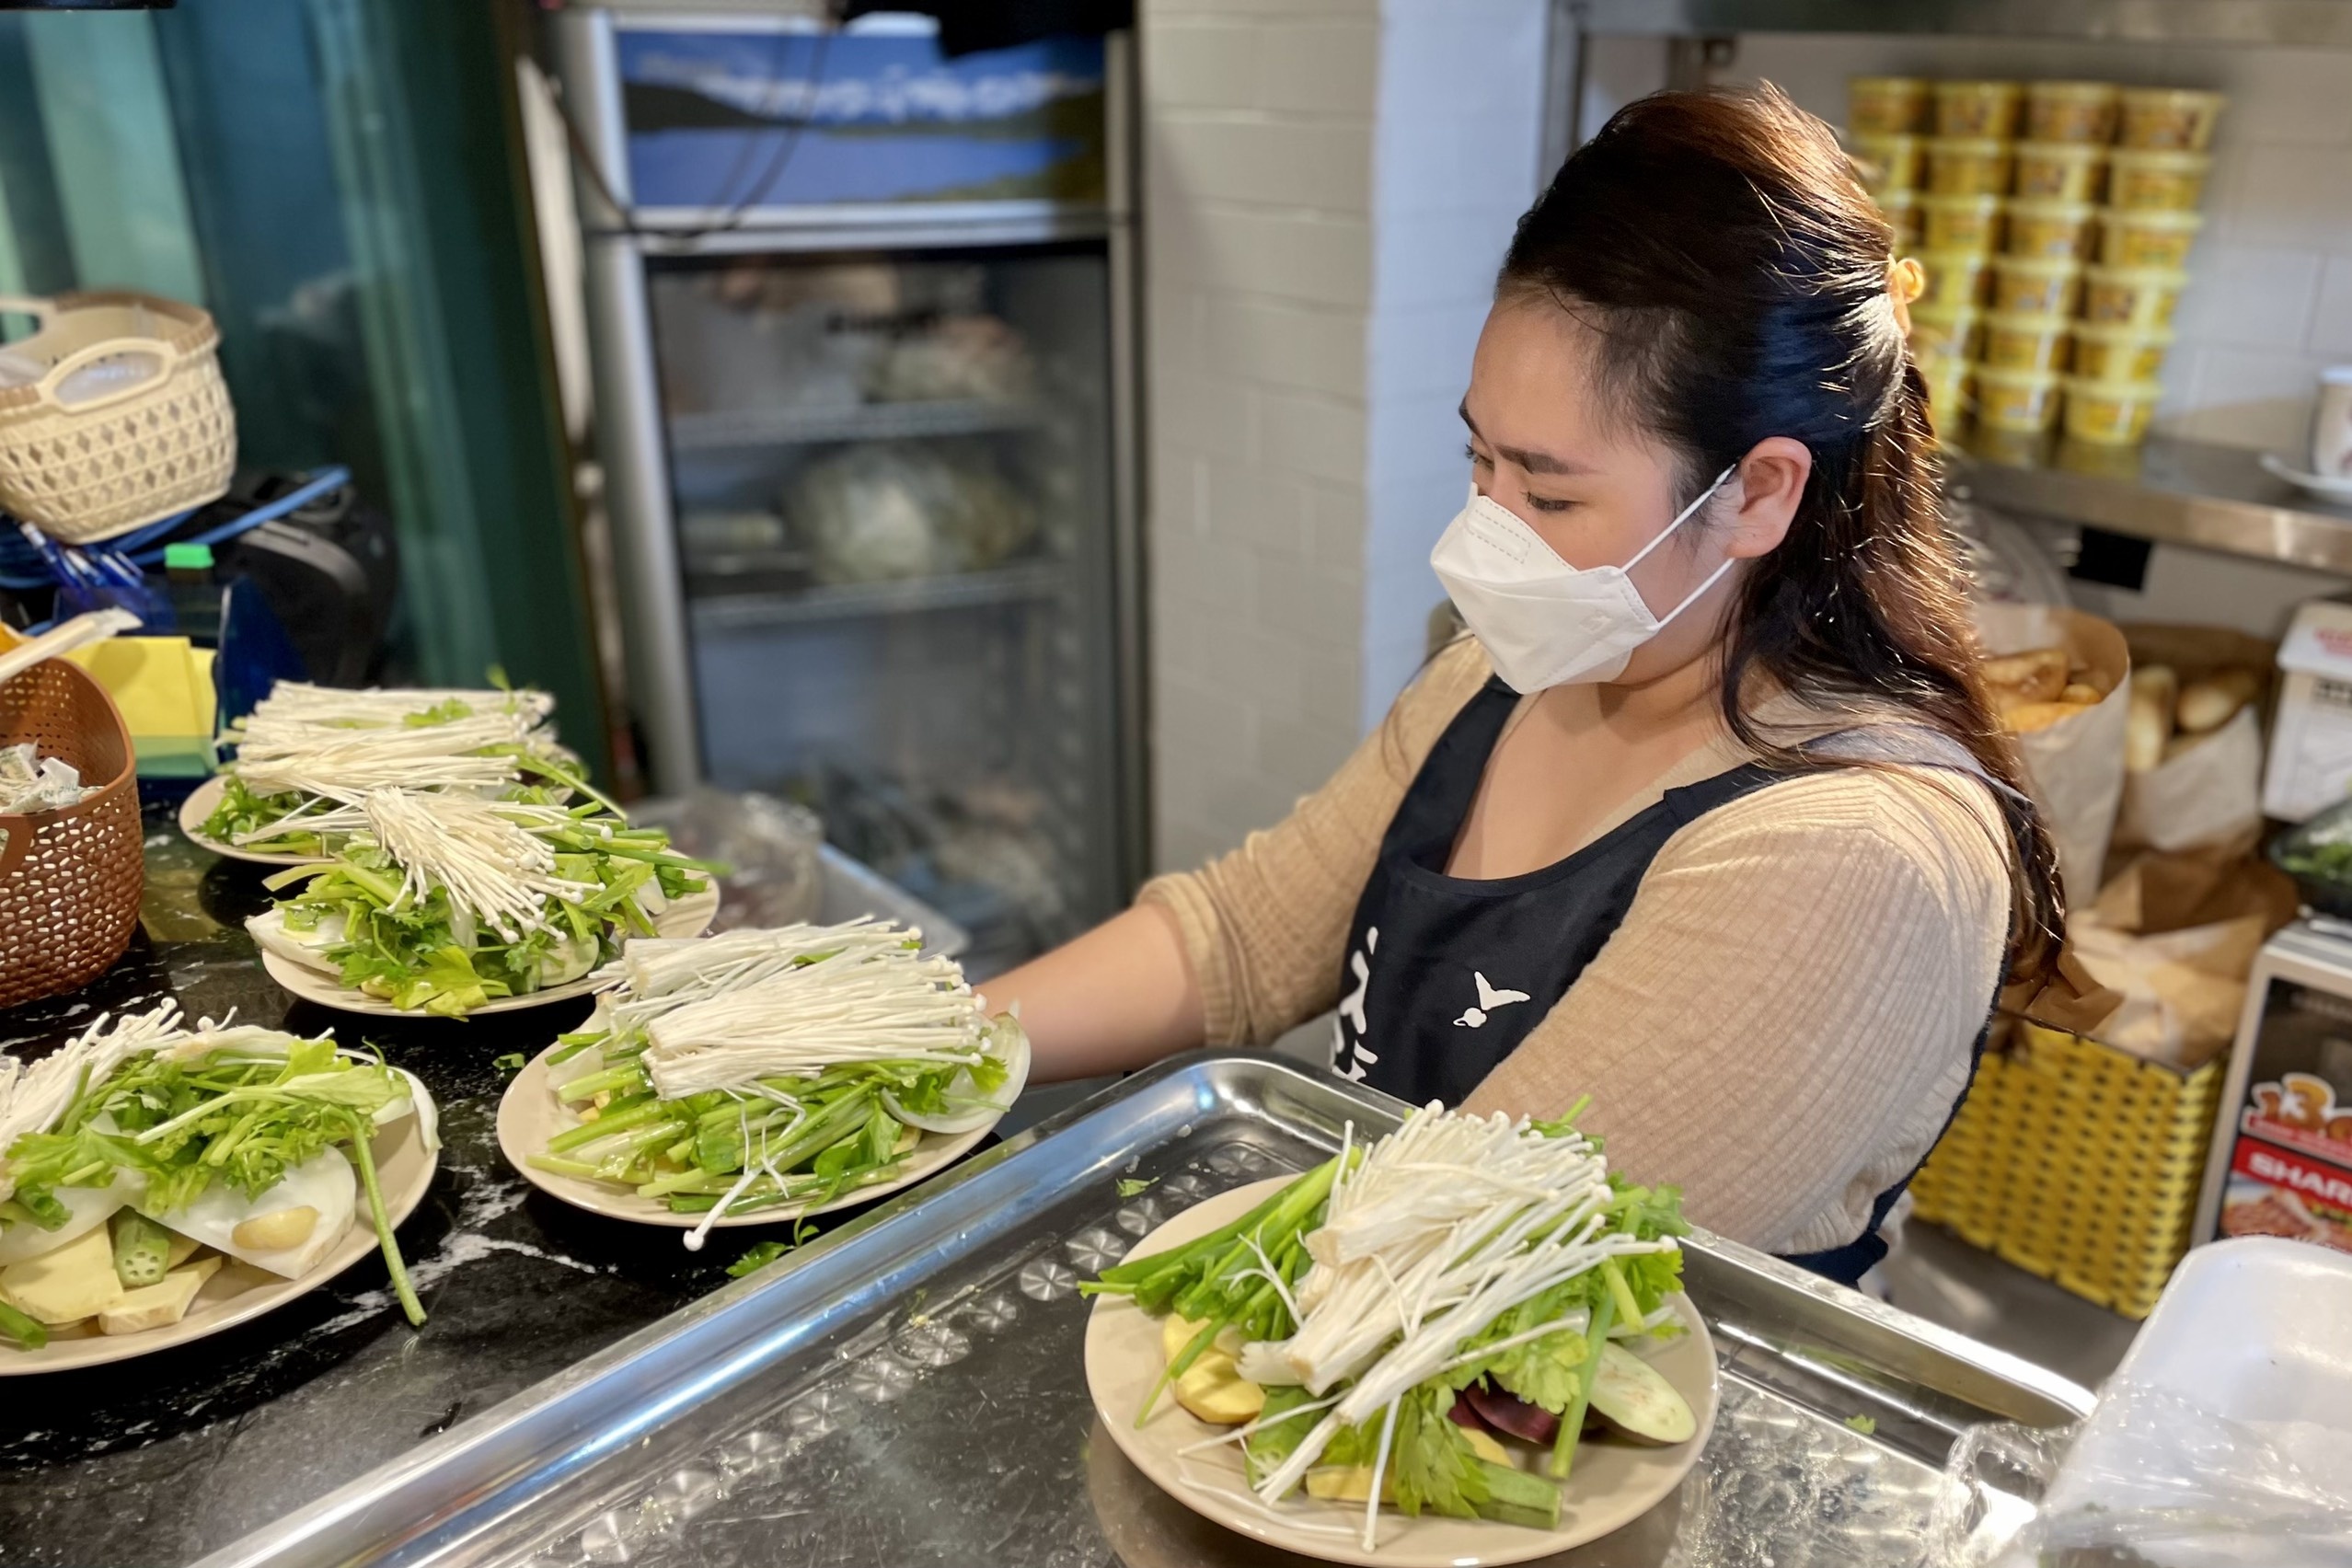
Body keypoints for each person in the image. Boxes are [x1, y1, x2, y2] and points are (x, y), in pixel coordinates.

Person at [986, 84, 2062, 1284]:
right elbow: (1244, 936)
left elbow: (1487, 1248)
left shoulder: (1853, 854)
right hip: (1354, 1316)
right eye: (1479, 460)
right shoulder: (1506, 679)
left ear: (1757, 494)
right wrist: (948, 1048)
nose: (1487, 534)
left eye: (1549, 494)